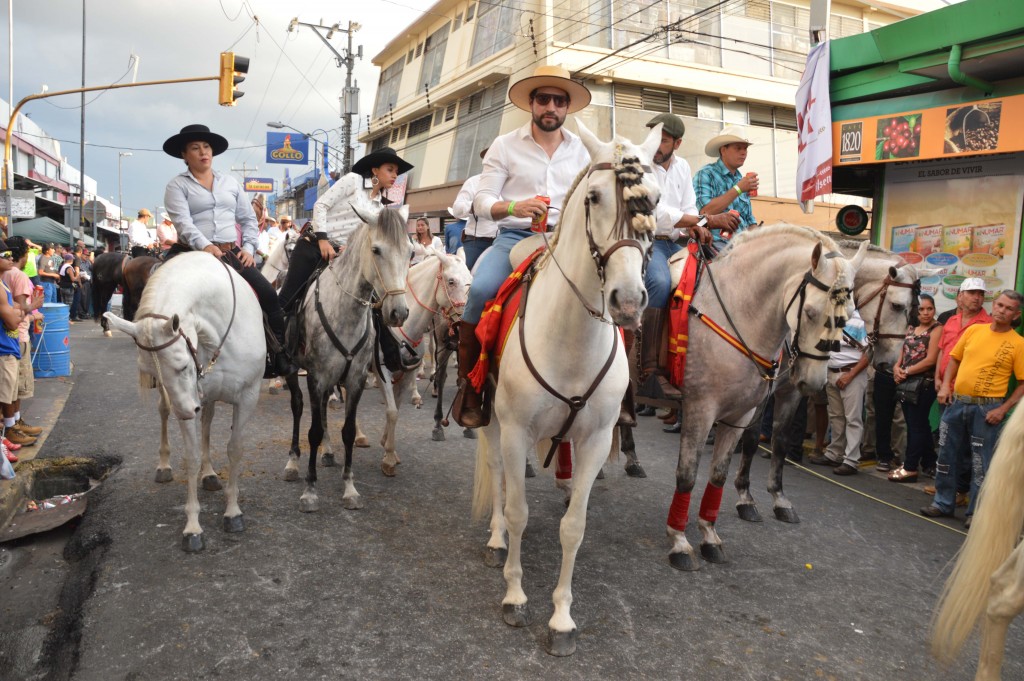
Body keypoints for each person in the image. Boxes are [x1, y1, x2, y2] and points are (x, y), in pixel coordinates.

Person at [452, 65, 592, 428]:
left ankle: (619, 391)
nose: (551, 107)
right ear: (531, 103)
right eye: (543, 99)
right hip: (515, 238)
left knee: (613, 294)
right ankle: (470, 388)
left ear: (567, 107)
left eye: (559, 101)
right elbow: (482, 200)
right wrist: (513, 207)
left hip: (567, 240)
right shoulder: (504, 145)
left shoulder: (583, 150)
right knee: (481, 290)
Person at [162, 123, 295, 377]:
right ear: (184, 155)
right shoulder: (177, 186)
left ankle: (277, 355)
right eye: (195, 148)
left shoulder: (230, 183)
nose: (203, 152)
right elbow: (183, 223)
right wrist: (206, 245)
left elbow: (247, 220)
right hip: (191, 252)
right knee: (160, 296)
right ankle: (160, 360)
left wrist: (248, 247)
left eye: (207, 147)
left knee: (269, 296)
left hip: (231, 253)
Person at [637, 112, 738, 402]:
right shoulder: (641, 165)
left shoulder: (682, 166)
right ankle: (649, 371)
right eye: (654, 137)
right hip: (649, 241)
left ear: (677, 143)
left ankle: (695, 363)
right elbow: (655, 213)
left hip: (677, 242)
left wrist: (698, 226)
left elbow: (689, 206)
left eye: (663, 140)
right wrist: (705, 222)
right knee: (657, 280)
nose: (656, 144)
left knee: (712, 280)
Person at [921, 290, 1024, 527]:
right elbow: (954, 359)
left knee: (980, 463)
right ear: (994, 305)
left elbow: (1022, 384)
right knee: (946, 454)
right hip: (956, 403)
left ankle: (975, 513)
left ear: (1016, 314)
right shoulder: (974, 330)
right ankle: (942, 503)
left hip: (987, 410)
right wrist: (946, 385)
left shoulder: (1018, 344)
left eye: (1009, 308)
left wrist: (1003, 409)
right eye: (999, 305)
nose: (1002, 310)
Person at [276, 146, 414, 314]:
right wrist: (323, 240)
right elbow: (320, 205)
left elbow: (365, 236)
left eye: (396, 172)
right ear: (375, 170)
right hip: (312, 246)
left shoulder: (380, 206)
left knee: (372, 306)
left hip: (342, 257)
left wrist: (348, 247)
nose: (394, 175)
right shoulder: (353, 180)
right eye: (390, 170)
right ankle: (276, 337)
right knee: (287, 301)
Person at [927, 279, 992, 501]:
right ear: (960, 296)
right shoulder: (951, 321)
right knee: (946, 443)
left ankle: (961, 491)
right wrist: (938, 378)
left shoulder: (987, 324)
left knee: (966, 447)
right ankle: (944, 486)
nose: (977, 297)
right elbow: (943, 353)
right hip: (946, 390)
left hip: (969, 394)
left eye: (981, 294)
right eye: (972, 293)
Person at [888, 294, 942, 482]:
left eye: (929, 309)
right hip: (906, 382)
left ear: (934, 309)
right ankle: (930, 462)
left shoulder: (937, 329)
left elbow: (931, 360)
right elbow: (903, 354)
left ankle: (910, 467)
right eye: (921, 309)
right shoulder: (912, 328)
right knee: (919, 425)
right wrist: (897, 368)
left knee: (916, 426)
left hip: (924, 384)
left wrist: (906, 371)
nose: (926, 313)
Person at [808, 310, 870, 475]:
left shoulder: (860, 321)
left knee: (853, 419)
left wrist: (850, 375)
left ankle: (851, 459)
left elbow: (868, 352)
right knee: (836, 417)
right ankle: (835, 453)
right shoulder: (831, 317)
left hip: (851, 373)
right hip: (832, 372)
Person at [1, 236, 45, 446]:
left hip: (11, 339)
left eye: (9, 254)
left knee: (12, 386)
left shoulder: (5, 278)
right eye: (4, 255)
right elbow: (13, 316)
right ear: (25, 254)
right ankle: (11, 428)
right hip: (14, 338)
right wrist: (32, 306)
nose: (8, 258)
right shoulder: (16, 275)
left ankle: (15, 424)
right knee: (12, 388)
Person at [693, 126, 759, 250]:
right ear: (723, 150)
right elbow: (704, 212)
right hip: (715, 243)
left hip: (742, 246)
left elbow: (750, 221)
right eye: (738, 148)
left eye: (745, 148)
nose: (743, 152)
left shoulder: (742, 180)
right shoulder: (706, 174)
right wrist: (738, 189)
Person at [448, 147, 498, 269]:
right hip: (477, 242)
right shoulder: (473, 182)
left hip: (502, 241)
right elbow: (457, 209)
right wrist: (474, 206)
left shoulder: (509, 182)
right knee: (467, 281)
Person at [58, 253, 80, 320]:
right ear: (70, 259)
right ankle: (67, 318)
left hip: (62, 286)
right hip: (68, 287)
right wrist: (78, 277)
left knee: (63, 303)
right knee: (69, 304)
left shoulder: (62, 266)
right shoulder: (69, 268)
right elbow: (73, 279)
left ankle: (63, 317)